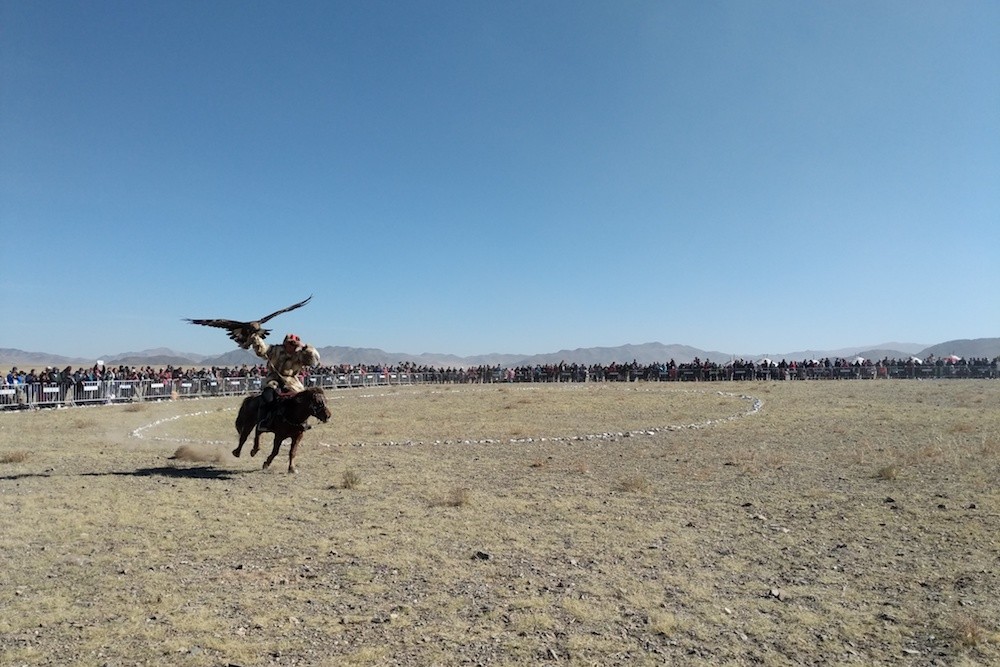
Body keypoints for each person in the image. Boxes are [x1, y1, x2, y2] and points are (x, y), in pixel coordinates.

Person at [248, 331, 321, 431]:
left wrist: (304, 347)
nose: (293, 346)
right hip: (273, 379)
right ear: (285, 343)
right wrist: (256, 338)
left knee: (302, 399)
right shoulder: (275, 350)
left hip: (292, 381)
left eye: (295, 344)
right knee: (268, 398)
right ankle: (264, 421)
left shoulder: (300, 355)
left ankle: (302, 421)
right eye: (291, 343)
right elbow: (261, 350)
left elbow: (315, 359)